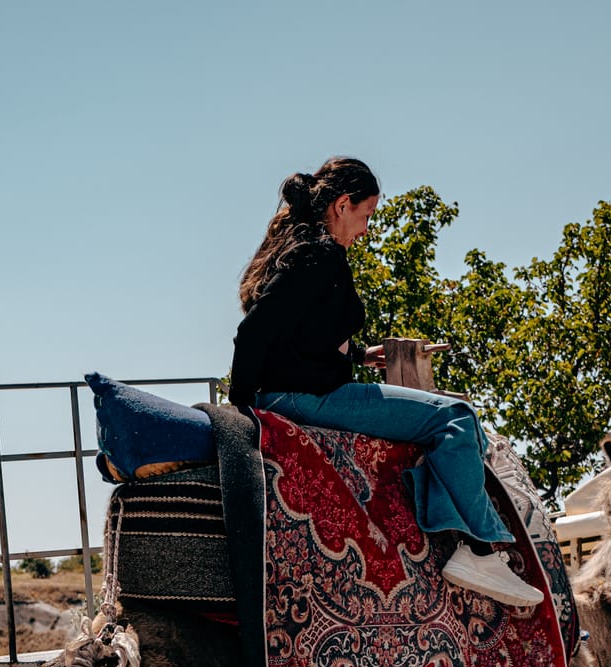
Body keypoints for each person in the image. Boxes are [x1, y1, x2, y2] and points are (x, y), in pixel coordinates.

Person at [229, 157, 539, 607]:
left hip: (302, 391)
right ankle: (479, 549)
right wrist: (244, 411)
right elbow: (253, 333)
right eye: (367, 214)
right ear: (341, 205)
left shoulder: (303, 251)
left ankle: (463, 542)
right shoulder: (319, 255)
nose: (367, 228)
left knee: (449, 419)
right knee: (455, 417)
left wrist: (357, 354)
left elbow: (296, 335)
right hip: (305, 399)